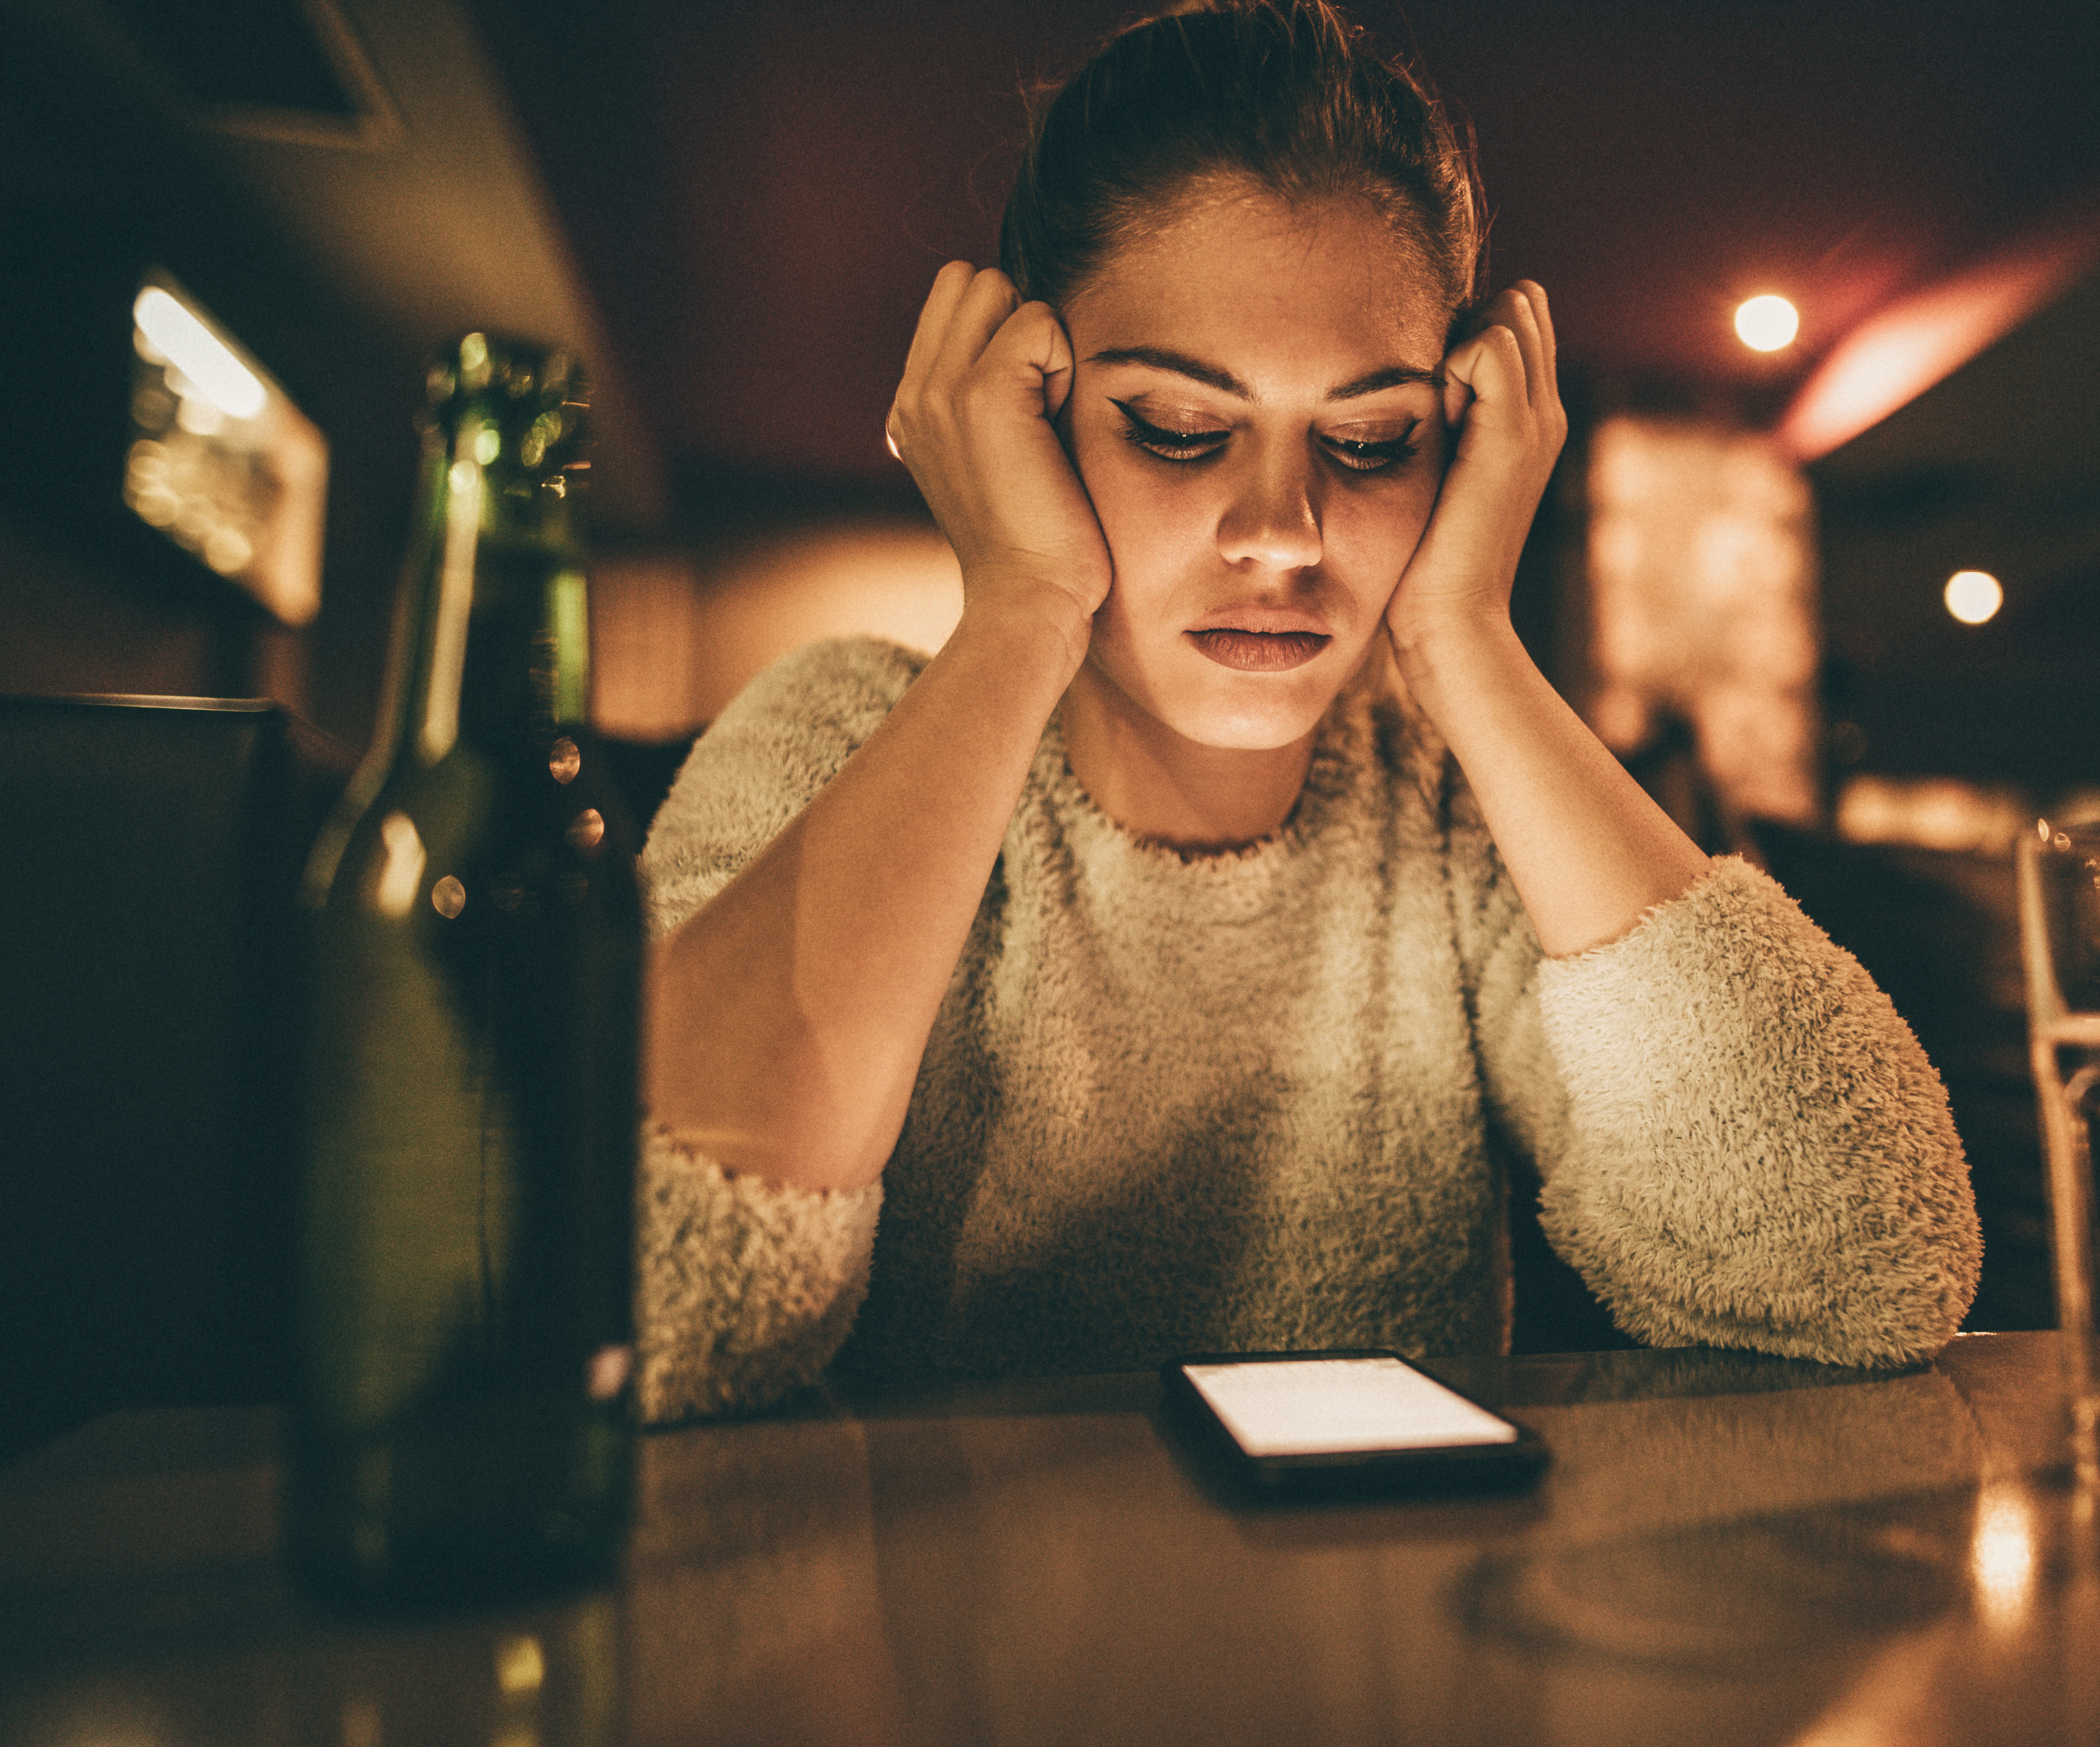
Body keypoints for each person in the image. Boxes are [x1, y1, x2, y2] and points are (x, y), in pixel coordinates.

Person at [633, 0, 1979, 1421]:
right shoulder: (843, 726)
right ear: (1022, 417)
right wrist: (1021, 603)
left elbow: (1862, 1271)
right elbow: (648, 1303)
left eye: (1368, 441)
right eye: (1177, 426)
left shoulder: (1460, 819)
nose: (1281, 532)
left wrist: (1463, 639)